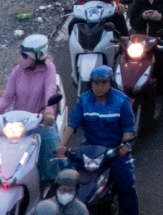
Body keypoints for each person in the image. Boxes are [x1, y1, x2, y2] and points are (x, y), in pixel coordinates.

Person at [0, 34, 63, 182]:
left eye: (26, 55)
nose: (23, 58)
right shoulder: (17, 71)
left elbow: (50, 91)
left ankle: (54, 182)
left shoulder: (49, 69)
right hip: (19, 123)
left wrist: (49, 113)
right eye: (22, 54)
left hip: (40, 121)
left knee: (51, 150)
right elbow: (7, 96)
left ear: (39, 55)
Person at [63, 66, 138, 215]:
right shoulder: (83, 100)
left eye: (104, 83)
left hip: (115, 150)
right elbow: (72, 125)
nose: (99, 87)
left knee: (126, 183)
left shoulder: (121, 100)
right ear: (91, 84)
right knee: (66, 177)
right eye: (96, 83)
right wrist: (61, 145)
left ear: (110, 83)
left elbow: (128, 129)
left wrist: (124, 145)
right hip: (90, 148)